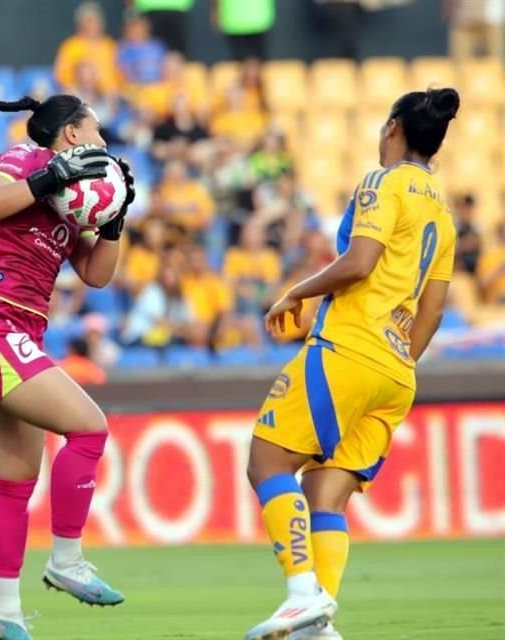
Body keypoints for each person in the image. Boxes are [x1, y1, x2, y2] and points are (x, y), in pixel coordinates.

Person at [244, 88, 460, 640]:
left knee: (267, 464)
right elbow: (432, 313)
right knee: (327, 494)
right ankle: (319, 623)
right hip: (397, 371)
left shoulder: (382, 182)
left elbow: (359, 261)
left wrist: (297, 292)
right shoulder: (442, 208)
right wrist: (394, 361)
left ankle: (299, 597)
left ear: (392, 128)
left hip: (348, 349)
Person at [0, 92, 135, 640]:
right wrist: (52, 174)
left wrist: (114, 219)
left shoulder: (70, 197)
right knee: (89, 428)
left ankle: (4, 612)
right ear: (70, 135)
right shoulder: (24, 161)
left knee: (15, 481)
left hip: (13, 332)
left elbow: (97, 274)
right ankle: (66, 558)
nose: (104, 142)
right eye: (97, 130)